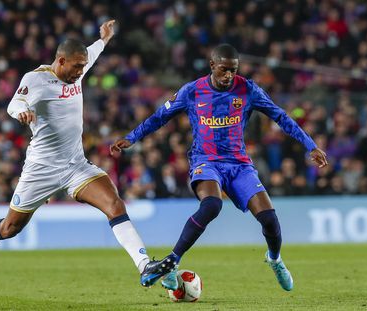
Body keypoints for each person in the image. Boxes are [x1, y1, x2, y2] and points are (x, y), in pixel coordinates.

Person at [0, 20, 175, 287]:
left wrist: (105, 39)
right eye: (77, 66)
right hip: (41, 168)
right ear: (61, 61)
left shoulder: (78, 66)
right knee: (11, 228)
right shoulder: (36, 79)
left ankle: (145, 266)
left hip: (75, 165)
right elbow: (15, 102)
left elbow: (93, 52)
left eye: (83, 65)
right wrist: (21, 111)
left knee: (114, 205)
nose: (81, 71)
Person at [110, 44, 328, 291]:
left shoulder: (247, 89)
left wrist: (311, 145)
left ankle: (275, 259)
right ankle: (172, 261)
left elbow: (281, 117)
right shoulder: (192, 91)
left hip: (239, 164)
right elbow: (160, 116)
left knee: (269, 219)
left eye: (233, 70)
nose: (229, 76)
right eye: (224, 70)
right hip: (206, 161)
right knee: (212, 205)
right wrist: (132, 137)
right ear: (212, 65)